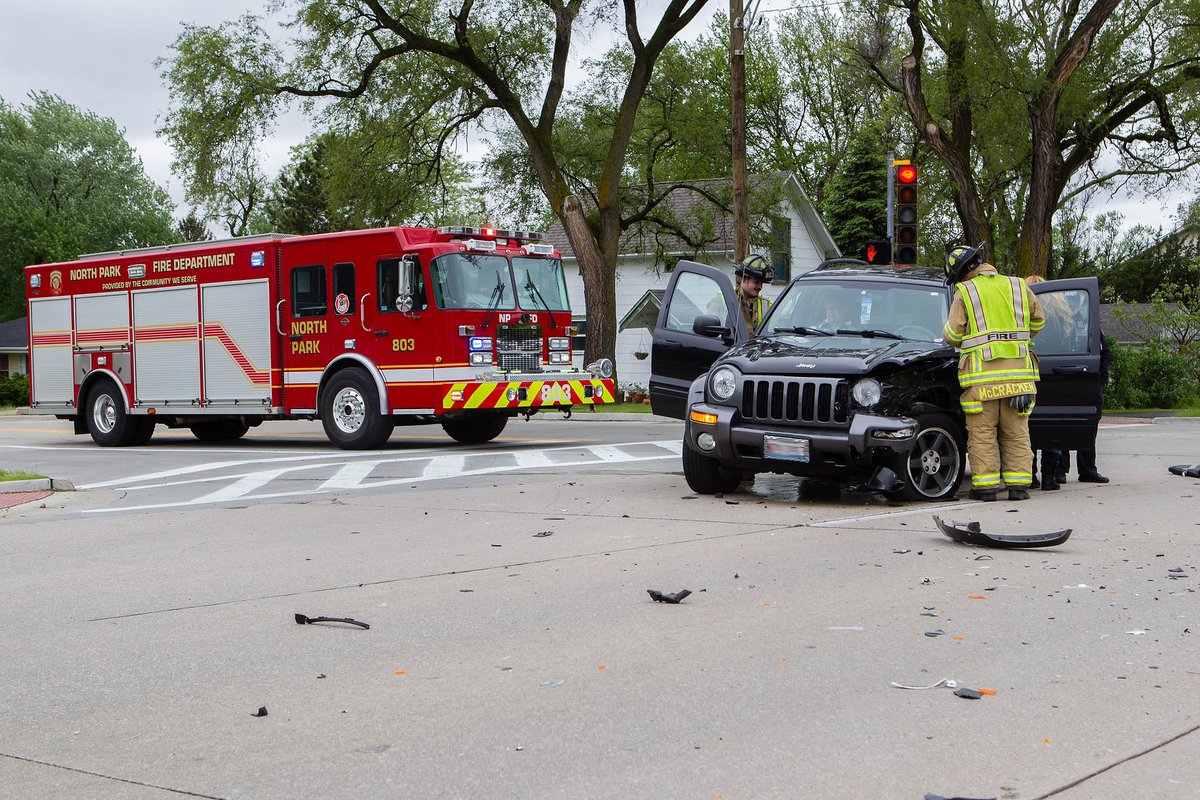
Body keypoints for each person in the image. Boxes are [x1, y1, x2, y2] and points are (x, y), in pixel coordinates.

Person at [942, 245, 1045, 501]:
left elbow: (953, 334)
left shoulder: (966, 291)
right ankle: (1018, 488)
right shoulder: (1018, 286)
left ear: (963, 274)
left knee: (983, 434)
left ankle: (986, 488)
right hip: (1019, 381)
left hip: (981, 382)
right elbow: (1039, 321)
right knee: (1016, 433)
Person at [1024, 275, 1069, 490]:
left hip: (1029, 372)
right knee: (1053, 429)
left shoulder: (1024, 316)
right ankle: (1050, 477)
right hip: (1056, 375)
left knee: (1027, 426)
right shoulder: (1062, 318)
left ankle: (1030, 475)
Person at [733, 254, 773, 329]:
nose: (760, 287)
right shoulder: (726, 298)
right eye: (757, 282)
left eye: (762, 283)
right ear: (744, 278)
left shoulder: (766, 304)